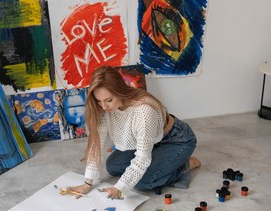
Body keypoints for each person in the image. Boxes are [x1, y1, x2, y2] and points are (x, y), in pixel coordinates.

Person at [68, 65, 200, 199]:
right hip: (151, 141)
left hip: (177, 140)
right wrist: (87, 183)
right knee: (112, 166)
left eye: (109, 100)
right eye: (98, 101)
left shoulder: (143, 111)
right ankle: (162, 160)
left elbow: (142, 159)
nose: (104, 106)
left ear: (119, 91)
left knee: (142, 182)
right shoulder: (102, 108)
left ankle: (186, 164)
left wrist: (120, 187)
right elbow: (98, 144)